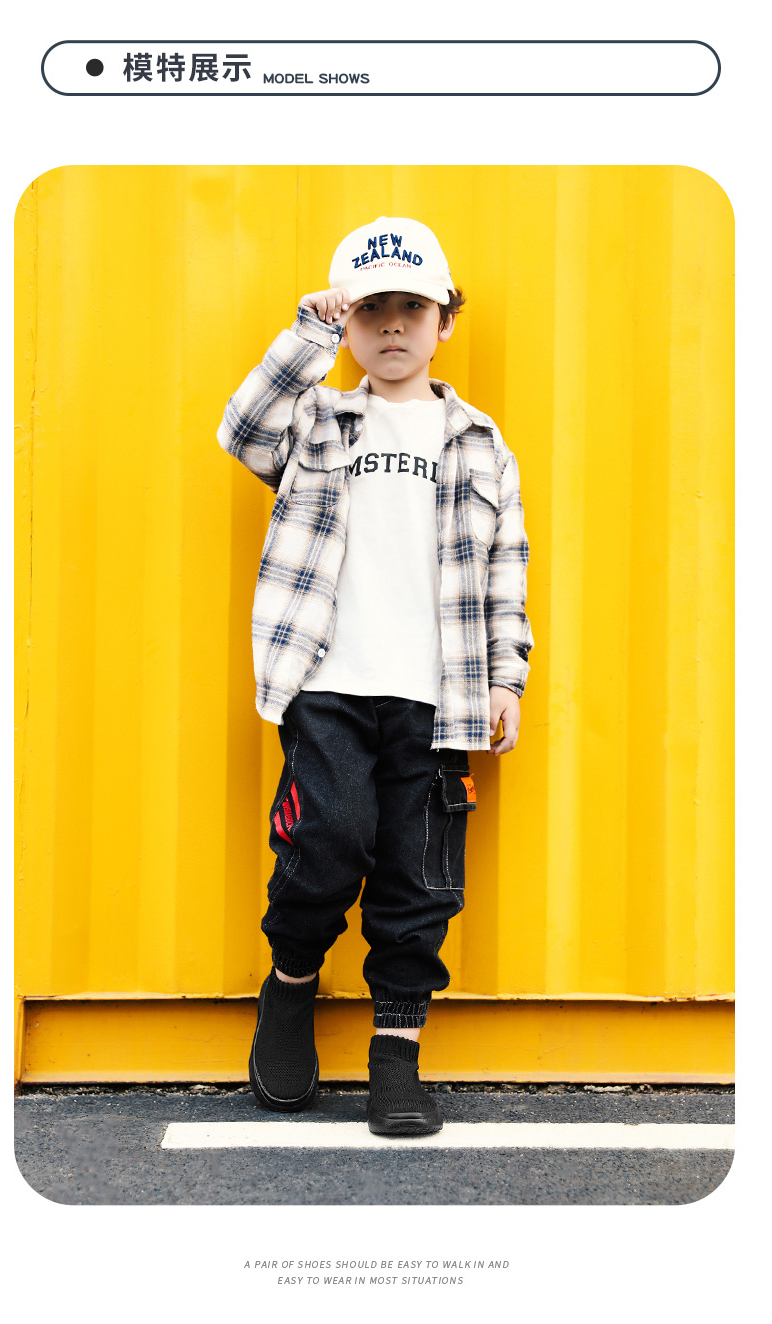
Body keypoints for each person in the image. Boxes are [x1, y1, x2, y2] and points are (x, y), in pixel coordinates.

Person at [217, 216, 533, 1136]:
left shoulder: (480, 442)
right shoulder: (319, 416)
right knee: (328, 839)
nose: (392, 325)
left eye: (413, 307)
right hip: (329, 683)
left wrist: (507, 676)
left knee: (418, 879)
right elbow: (242, 431)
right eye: (371, 310)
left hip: (439, 697)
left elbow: (506, 566)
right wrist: (308, 335)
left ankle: (396, 1057)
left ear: (445, 321)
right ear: (348, 324)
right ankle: (291, 982)